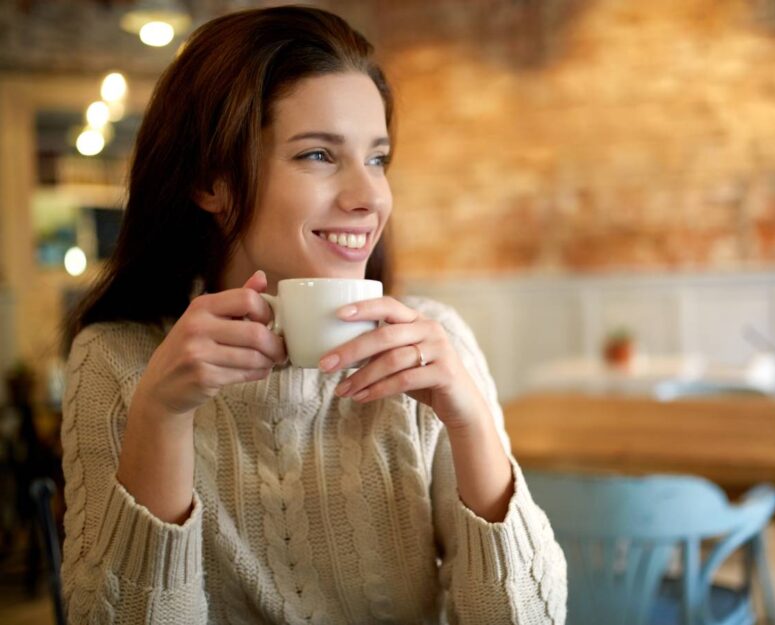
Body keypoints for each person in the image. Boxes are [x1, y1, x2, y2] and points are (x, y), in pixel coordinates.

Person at [61, 6, 567, 624]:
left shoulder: (434, 346)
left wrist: (470, 419)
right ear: (212, 180)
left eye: (376, 158)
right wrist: (161, 415)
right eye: (319, 156)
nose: (369, 197)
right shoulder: (117, 361)